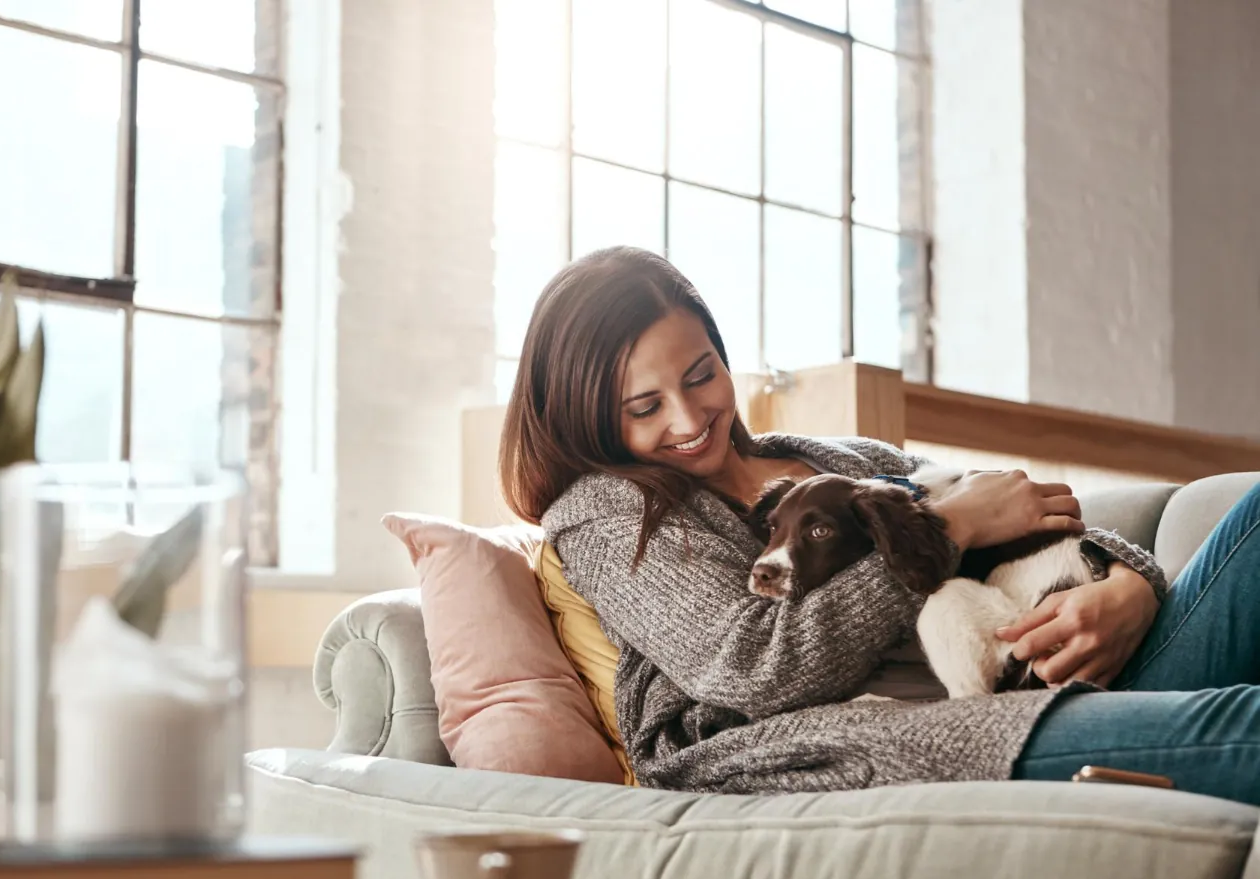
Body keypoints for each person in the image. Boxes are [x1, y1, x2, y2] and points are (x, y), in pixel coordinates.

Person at [498, 246, 1260, 804]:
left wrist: (1130, 586)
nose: (690, 417)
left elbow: (1026, 513)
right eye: (644, 407)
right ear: (589, 416)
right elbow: (750, 668)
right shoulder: (606, 512)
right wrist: (948, 530)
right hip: (931, 730)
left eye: (702, 375)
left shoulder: (845, 459)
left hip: (1071, 662)